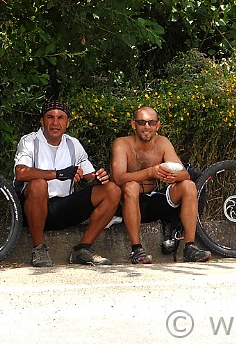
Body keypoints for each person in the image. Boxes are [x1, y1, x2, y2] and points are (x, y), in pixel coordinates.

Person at [14, 100, 121, 267]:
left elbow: (88, 175)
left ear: (67, 122)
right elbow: (20, 173)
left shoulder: (73, 143)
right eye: (50, 117)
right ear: (42, 121)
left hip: (63, 207)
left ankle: (82, 249)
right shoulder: (29, 141)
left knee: (112, 190)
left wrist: (99, 177)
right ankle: (39, 248)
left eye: (60, 118)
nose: (55, 123)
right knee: (39, 184)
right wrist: (57, 174)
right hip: (33, 209)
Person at [110, 106, 212, 264]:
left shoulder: (163, 142)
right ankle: (137, 250)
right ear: (133, 124)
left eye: (151, 123)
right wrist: (150, 172)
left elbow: (184, 173)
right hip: (129, 204)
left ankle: (189, 247)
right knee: (132, 186)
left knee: (188, 185)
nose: (147, 127)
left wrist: (172, 176)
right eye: (142, 122)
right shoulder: (122, 143)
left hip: (153, 201)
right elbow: (118, 178)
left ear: (158, 126)